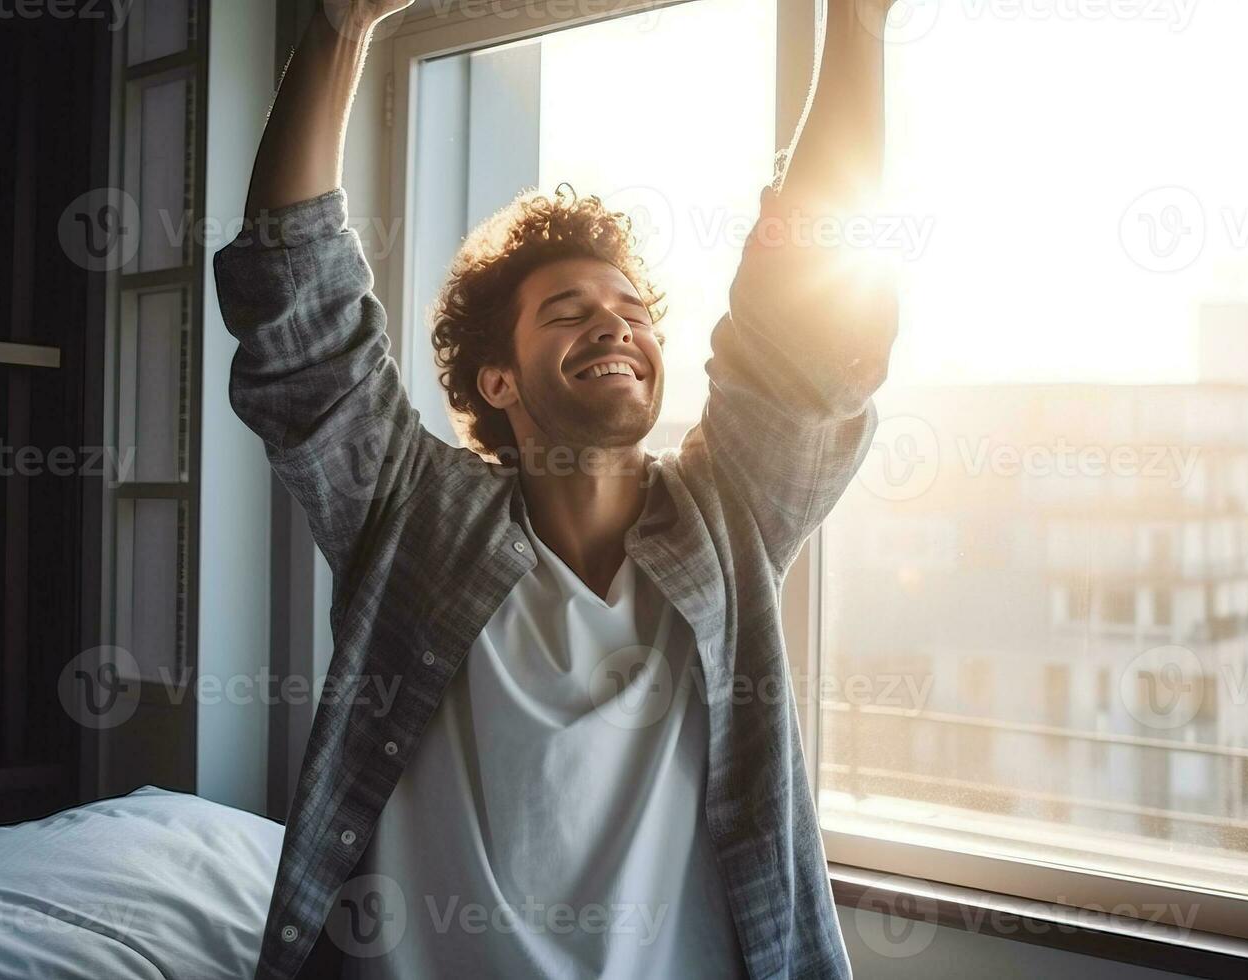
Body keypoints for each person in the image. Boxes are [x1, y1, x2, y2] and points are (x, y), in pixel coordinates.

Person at [214, 0, 900, 976]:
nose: (616, 326)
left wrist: (858, 28)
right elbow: (294, 306)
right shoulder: (417, 519)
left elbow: (815, 314)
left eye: (632, 310)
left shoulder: (727, 517)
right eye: (570, 312)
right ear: (498, 380)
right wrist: (337, 28)